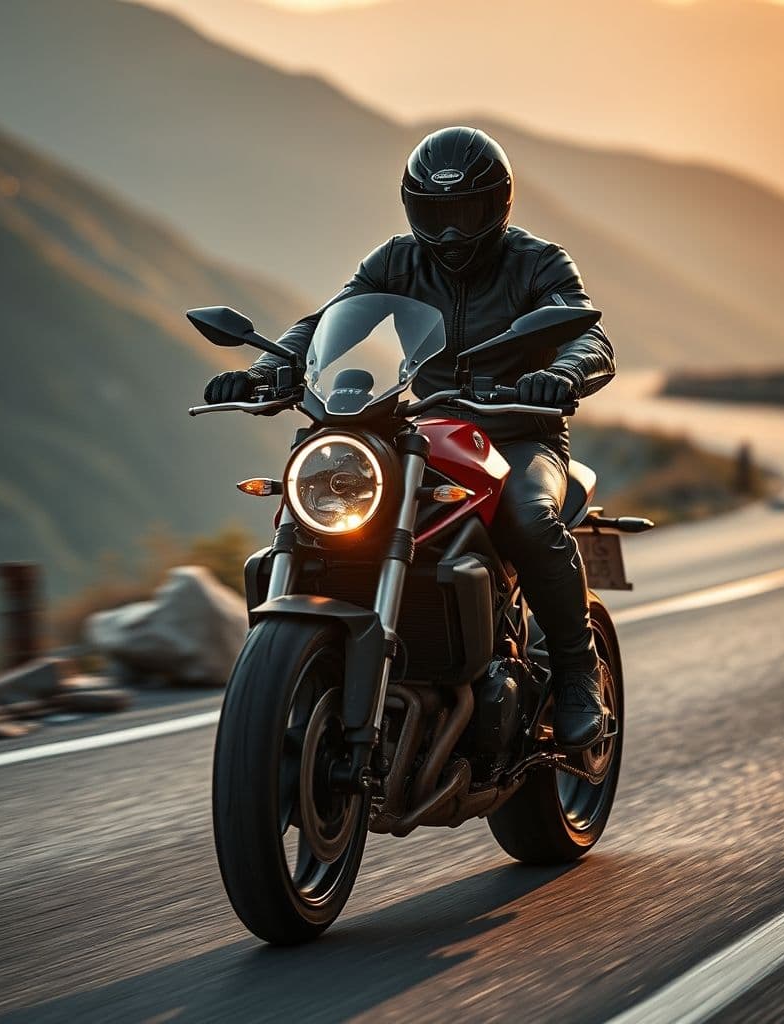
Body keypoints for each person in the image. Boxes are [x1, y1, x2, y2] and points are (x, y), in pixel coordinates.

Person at [204, 126, 616, 749]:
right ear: (412, 208)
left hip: (520, 435)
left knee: (530, 520)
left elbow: (590, 336)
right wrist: (273, 369)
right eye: (434, 214)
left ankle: (578, 674)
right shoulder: (397, 260)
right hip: (429, 429)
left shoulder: (538, 263)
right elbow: (328, 322)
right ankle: (303, 675)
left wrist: (561, 374)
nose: (449, 232)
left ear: (498, 205)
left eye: (466, 213)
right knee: (333, 504)